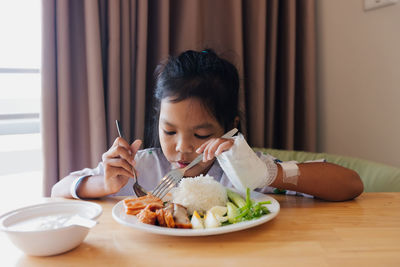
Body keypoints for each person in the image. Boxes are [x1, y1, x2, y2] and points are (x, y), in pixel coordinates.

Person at [51, 49, 364, 201]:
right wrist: (103, 185)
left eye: (201, 134)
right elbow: (57, 191)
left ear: (231, 128)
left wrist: (270, 172)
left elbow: (351, 184)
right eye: (169, 130)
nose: (182, 147)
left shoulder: (242, 170)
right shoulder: (141, 167)